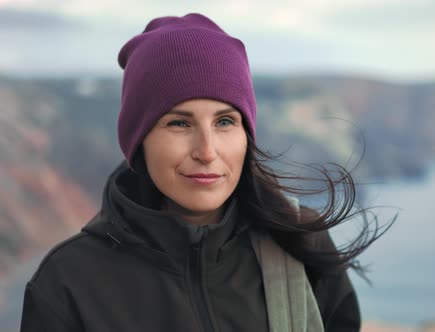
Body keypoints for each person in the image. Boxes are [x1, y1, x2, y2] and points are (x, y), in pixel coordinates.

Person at [19, 13, 389, 332]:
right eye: (179, 123)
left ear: (246, 134)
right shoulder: (68, 282)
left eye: (225, 121)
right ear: (139, 139)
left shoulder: (300, 244)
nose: (207, 151)